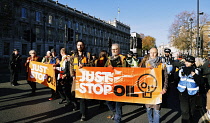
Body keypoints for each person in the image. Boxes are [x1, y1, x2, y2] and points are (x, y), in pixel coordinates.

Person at [140, 48, 168, 123]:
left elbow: (165, 77)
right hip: (147, 89)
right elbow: (140, 75)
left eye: (154, 53)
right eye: (151, 52)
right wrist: (146, 70)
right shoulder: (145, 63)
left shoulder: (162, 65)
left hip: (158, 90)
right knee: (148, 109)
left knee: (156, 110)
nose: (152, 54)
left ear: (157, 53)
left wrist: (164, 88)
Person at [175, 55, 201, 123]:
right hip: (182, 92)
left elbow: (200, 82)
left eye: (188, 62)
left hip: (193, 93)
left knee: (191, 111)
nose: (186, 63)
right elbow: (175, 78)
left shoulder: (196, 71)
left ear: (192, 63)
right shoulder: (181, 70)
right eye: (186, 61)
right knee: (185, 111)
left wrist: (195, 75)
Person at [70, 40, 91, 121]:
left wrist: (84, 65)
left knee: (83, 97)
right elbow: (71, 67)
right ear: (76, 46)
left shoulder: (87, 55)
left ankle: (83, 114)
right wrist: (72, 76)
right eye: (78, 45)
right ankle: (77, 107)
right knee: (74, 94)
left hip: (85, 78)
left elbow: (92, 65)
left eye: (81, 45)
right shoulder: (73, 56)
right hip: (76, 78)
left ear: (84, 46)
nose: (80, 46)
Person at [104, 43, 126, 123]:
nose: (114, 50)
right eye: (113, 49)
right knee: (108, 101)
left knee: (118, 103)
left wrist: (116, 69)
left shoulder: (123, 59)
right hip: (110, 83)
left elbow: (126, 69)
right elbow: (104, 69)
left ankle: (117, 119)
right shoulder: (109, 59)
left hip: (120, 83)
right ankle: (117, 112)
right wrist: (107, 68)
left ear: (119, 50)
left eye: (116, 49)